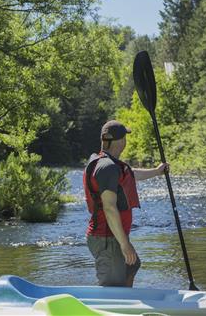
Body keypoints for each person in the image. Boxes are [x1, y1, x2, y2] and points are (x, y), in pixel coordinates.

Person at [83, 120, 169, 287]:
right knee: (112, 287)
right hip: (107, 238)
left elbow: (130, 174)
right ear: (121, 141)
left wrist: (157, 171)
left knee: (132, 265)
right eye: (124, 138)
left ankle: (127, 301)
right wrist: (124, 244)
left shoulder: (108, 164)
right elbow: (109, 207)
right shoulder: (107, 167)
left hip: (110, 236)